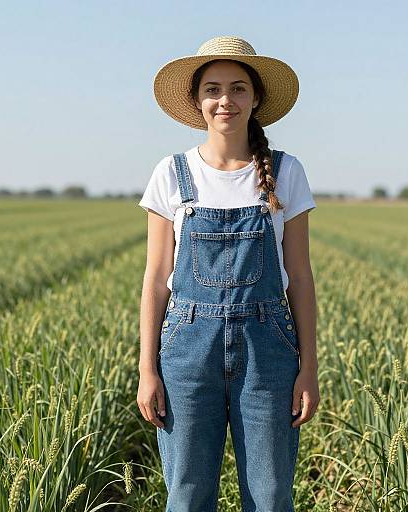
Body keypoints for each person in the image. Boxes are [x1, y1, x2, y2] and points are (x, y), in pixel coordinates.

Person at [137, 35, 320, 512]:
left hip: (269, 349)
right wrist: (147, 368)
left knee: (271, 495)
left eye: (238, 88)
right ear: (197, 102)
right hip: (186, 348)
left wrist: (309, 368)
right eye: (213, 89)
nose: (226, 100)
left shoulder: (286, 171)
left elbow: (299, 277)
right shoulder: (171, 173)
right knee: (188, 495)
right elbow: (156, 279)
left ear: (256, 99)